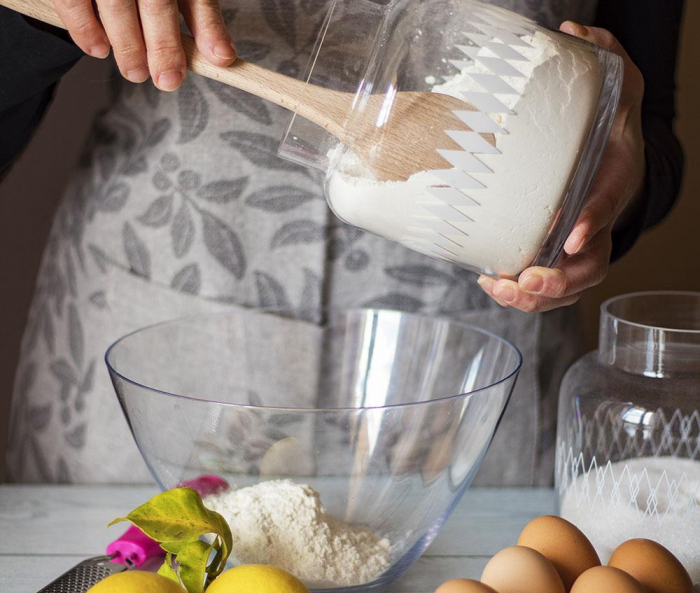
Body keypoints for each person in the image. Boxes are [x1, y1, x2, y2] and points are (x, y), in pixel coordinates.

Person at [0, 0, 685, 485]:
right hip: (153, 349)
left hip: (465, 393)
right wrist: (36, 18)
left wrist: (611, 198)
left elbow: (644, 118)